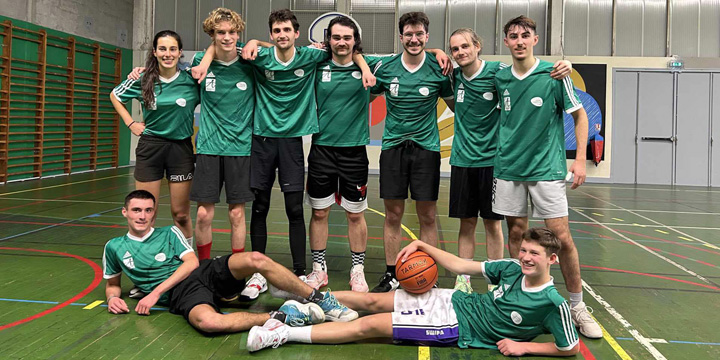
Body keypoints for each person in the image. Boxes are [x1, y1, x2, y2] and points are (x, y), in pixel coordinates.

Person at [193, 9, 374, 299]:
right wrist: (251, 42)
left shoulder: (312, 57)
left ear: (296, 33)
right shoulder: (257, 57)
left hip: (292, 144)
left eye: (287, 30)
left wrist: (364, 67)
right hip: (261, 141)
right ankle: (255, 273)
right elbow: (223, 45)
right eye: (276, 31)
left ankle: (301, 271)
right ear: (271, 34)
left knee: (294, 210)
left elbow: (351, 52)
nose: (282, 35)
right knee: (260, 208)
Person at [245, 228, 579, 357]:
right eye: (523, 251)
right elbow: (462, 267)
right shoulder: (509, 267)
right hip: (454, 300)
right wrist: (422, 245)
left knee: (369, 326)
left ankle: (284, 334)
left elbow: (569, 348)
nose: (525, 258)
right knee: (371, 300)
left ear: (552, 259)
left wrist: (523, 347)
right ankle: (302, 298)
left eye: (533, 254)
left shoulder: (553, 303)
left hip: (457, 328)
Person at [103, 190, 358, 334]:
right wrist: (113, 297)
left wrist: (153, 294)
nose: (143, 216)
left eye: (148, 210)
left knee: (255, 258)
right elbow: (113, 283)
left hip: (203, 272)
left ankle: (318, 298)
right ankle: (284, 315)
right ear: (125, 212)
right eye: (137, 210)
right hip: (183, 293)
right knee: (210, 323)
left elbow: (191, 263)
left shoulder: (168, 233)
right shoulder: (114, 247)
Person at [492, 15, 601, 338]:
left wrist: (579, 160)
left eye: (525, 35)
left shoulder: (554, 74)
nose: (520, 41)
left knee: (562, 238)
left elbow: (580, 116)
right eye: (513, 36)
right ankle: (522, 297)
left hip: (547, 169)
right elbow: (467, 63)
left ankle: (577, 306)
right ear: (506, 42)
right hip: (509, 168)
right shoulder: (500, 77)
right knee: (516, 234)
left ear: (535, 40)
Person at [445, 28, 572, 293]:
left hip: (494, 161)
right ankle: (463, 280)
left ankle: (496, 279)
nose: (460, 52)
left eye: (465, 46)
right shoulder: (454, 76)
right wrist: (437, 53)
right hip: (462, 160)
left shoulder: (497, 73)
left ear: (478, 46)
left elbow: (523, 72)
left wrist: (565, 65)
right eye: (455, 49)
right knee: (466, 222)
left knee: (493, 224)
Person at [369, 12, 454, 293]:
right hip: (393, 148)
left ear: (427, 37)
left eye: (420, 34)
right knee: (393, 215)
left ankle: (429, 271)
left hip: (426, 149)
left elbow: (459, 108)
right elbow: (360, 75)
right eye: (409, 34)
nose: (414, 39)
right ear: (401, 36)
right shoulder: (385, 67)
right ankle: (392, 272)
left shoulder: (439, 69)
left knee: (427, 216)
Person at [303, 16, 385, 292]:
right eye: (336, 37)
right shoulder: (317, 64)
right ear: (328, 40)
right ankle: (318, 270)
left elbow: (409, 53)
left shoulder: (370, 66)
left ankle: (358, 269)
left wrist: (435, 51)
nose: (341, 42)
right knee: (319, 212)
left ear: (355, 41)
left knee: (355, 214)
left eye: (347, 38)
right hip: (321, 149)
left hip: (354, 152)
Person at [110, 30, 197, 250]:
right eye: (162, 49)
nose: (167, 54)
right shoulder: (142, 78)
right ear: (155, 52)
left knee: (181, 213)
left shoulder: (191, 81)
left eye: (172, 49)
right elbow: (115, 95)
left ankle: (186, 259)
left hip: (181, 149)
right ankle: (146, 262)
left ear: (179, 53)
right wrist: (131, 123)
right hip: (151, 148)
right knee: (147, 212)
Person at [189, 8, 255, 266]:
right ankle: (203, 266)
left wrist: (254, 42)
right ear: (212, 34)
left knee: (237, 214)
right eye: (220, 32)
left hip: (240, 148)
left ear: (238, 33)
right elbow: (167, 70)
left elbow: (275, 50)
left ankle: (236, 269)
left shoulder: (250, 62)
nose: (227, 37)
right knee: (204, 215)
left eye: (232, 32)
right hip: (208, 147)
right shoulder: (199, 63)